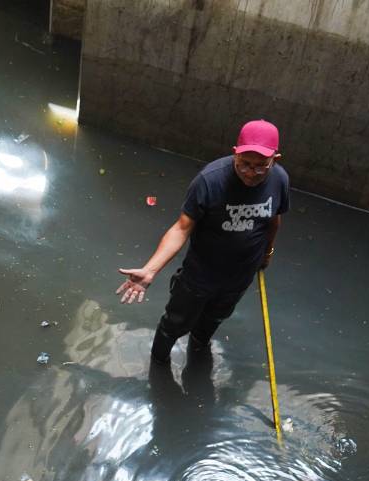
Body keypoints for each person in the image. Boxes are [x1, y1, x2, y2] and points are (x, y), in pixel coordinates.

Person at [116, 119, 290, 366]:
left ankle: (199, 352)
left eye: (261, 166)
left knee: (213, 321)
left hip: (241, 275)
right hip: (201, 274)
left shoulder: (279, 180)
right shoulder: (210, 181)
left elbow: (273, 219)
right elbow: (181, 227)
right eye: (245, 165)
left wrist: (268, 252)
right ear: (235, 154)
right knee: (176, 322)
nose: (251, 173)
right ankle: (159, 366)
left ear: (275, 159)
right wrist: (150, 270)